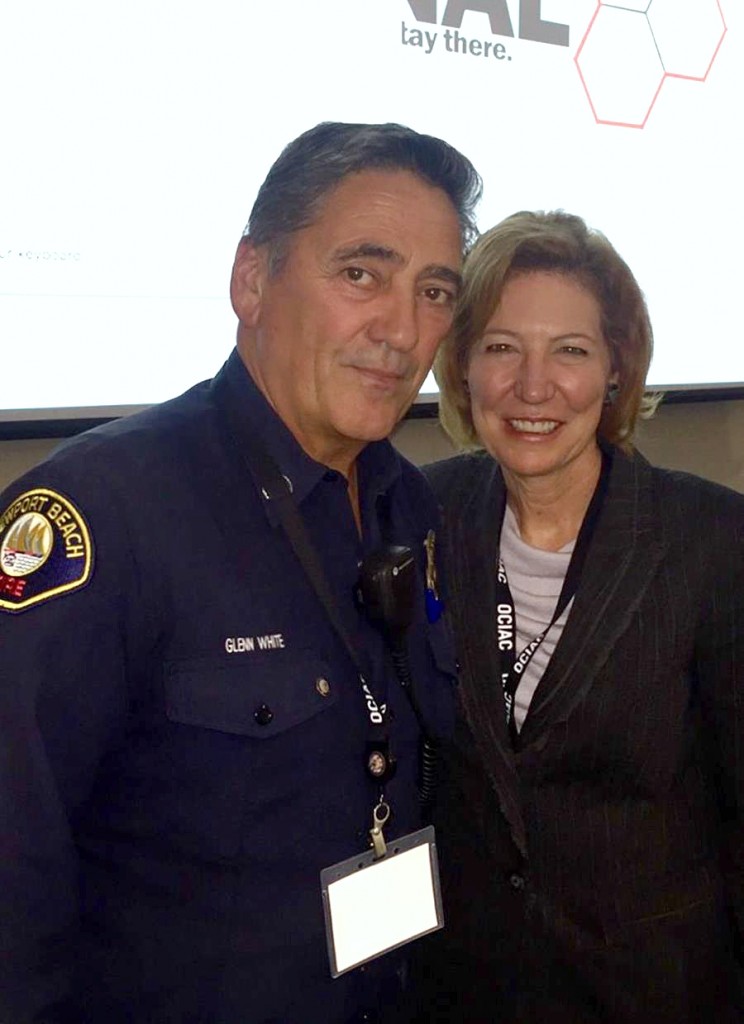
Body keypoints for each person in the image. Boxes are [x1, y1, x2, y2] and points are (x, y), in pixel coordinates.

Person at [0, 122, 481, 1023]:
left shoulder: (407, 506)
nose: (402, 329)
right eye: (361, 275)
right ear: (252, 280)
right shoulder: (103, 515)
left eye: (435, 291)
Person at [419, 210, 744, 1022]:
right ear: (462, 368)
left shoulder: (711, 543)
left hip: (652, 992)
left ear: (614, 369)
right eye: (501, 348)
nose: (534, 387)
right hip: (469, 986)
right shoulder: (421, 513)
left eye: (570, 350)